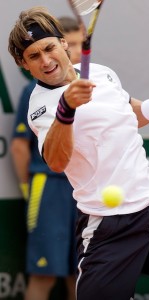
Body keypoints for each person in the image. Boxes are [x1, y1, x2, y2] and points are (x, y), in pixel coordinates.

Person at [8, 6, 149, 300]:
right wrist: (67, 109)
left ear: (63, 42)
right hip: (109, 227)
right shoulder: (42, 107)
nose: (46, 60)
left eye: (49, 48)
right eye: (34, 56)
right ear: (24, 65)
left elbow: (126, 111)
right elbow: (56, 160)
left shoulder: (101, 73)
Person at [10, 15, 84, 300]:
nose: (76, 51)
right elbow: (19, 146)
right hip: (48, 187)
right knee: (43, 275)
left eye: (79, 44)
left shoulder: (94, 82)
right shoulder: (34, 91)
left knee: (79, 275)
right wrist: (30, 189)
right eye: (35, 54)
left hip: (84, 190)